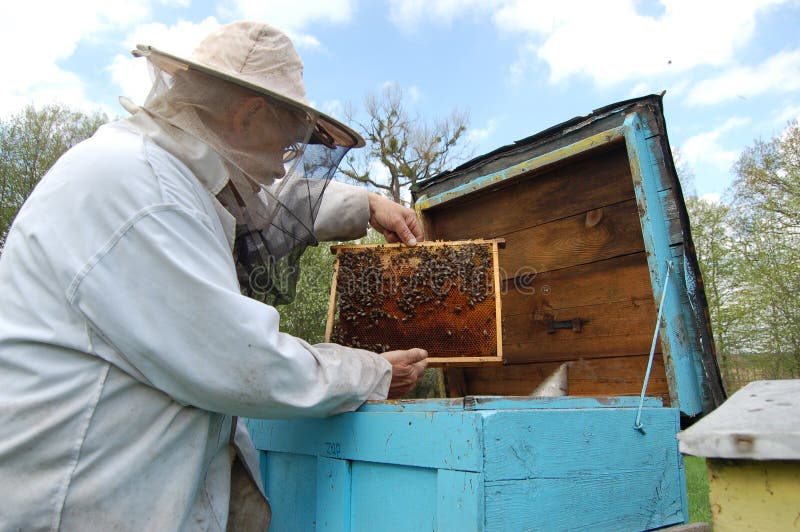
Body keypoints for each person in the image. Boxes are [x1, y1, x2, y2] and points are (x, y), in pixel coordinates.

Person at [0, 21, 428, 530]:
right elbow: (246, 364)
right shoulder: (144, 194)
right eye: (286, 148)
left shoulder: (159, 172)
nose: (281, 167)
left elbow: (266, 205)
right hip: (82, 501)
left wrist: (364, 204)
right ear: (248, 116)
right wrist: (373, 372)